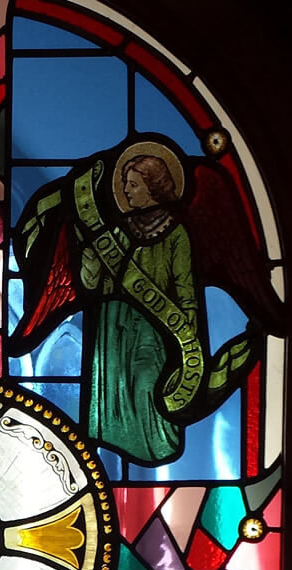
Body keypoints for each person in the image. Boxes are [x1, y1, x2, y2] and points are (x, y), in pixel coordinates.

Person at [86, 153, 197, 464]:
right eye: (125, 183)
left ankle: (155, 446)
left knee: (149, 388)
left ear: (153, 187)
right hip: (115, 330)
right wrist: (88, 249)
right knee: (115, 394)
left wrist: (189, 336)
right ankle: (112, 451)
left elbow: (186, 288)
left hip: (155, 333)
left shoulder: (175, 235)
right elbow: (94, 282)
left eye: (133, 184)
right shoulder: (119, 232)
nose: (126, 190)